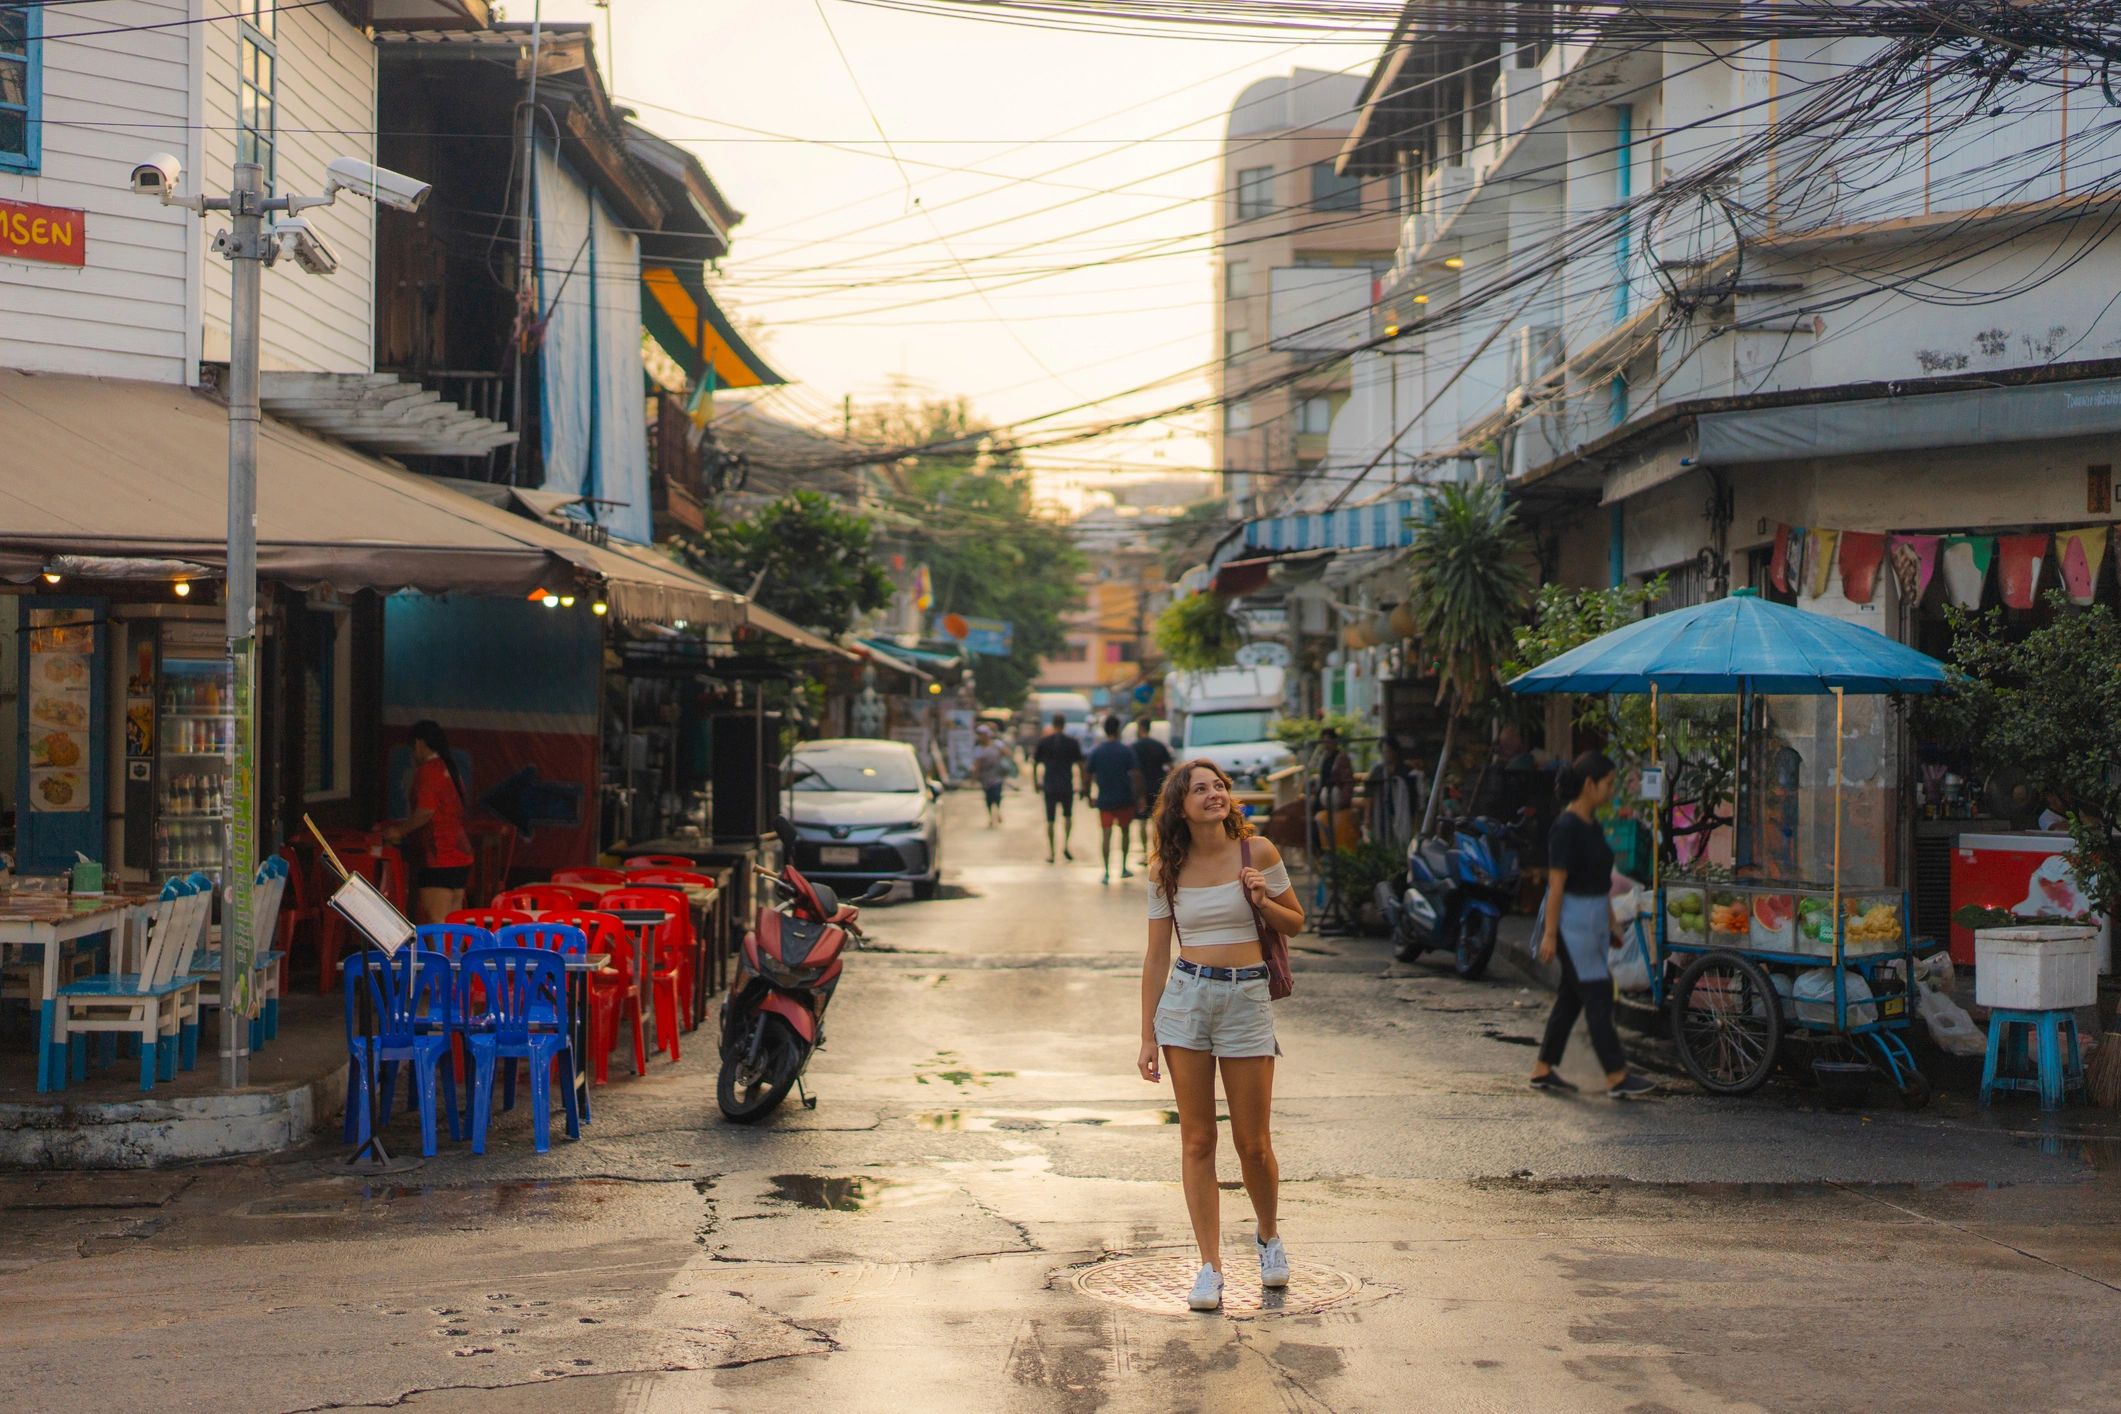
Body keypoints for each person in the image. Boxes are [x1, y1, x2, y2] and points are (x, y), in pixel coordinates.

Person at [1139, 759, 1306, 1311]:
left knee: (1253, 1144)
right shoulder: (1166, 866)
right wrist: (1146, 1034)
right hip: (1186, 1001)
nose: (1213, 795)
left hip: (1246, 997)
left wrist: (1262, 899)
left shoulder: (1257, 853)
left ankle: (1267, 1235)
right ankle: (1209, 1267)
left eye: (1219, 787)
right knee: (1197, 1140)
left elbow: (1297, 922)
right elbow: (1157, 954)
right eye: (1200, 789)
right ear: (1180, 805)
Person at [1532, 751, 1656, 1100]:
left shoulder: (1593, 825)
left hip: (1593, 923)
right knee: (1598, 996)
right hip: (1572, 924)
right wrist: (1550, 935)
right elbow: (1556, 886)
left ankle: (1543, 1068)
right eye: (1609, 784)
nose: (1612, 791)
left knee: (1572, 997)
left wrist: (1612, 923)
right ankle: (1616, 1075)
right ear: (1589, 785)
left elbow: (1600, 880)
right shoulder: (1565, 828)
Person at [380, 719, 473, 925]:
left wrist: (399, 831)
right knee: (454, 924)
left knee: (436, 923)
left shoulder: (428, 771)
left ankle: (441, 958)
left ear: (420, 743)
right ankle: (453, 957)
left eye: (412, 748)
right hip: (460, 855)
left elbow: (425, 812)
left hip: (439, 856)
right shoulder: (451, 769)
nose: (413, 754)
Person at [1087, 715, 1144, 884]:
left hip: (1104, 798)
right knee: (1125, 831)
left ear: (1105, 730)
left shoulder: (1097, 751)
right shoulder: (1126, 750)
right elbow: (1135, 774)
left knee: (1106, 834)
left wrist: (1088, 794)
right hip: (1124, 797)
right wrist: (1140, 796)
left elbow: (1088, 774)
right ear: (1118, 730)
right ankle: (1123, 867)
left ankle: (1106, 871)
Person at [1032, 713, 1086, 864]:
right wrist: (1082, 786)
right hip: (1066, 784)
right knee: (1067, 816)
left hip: (1049, 785)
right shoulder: (1072, 742)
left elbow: (1035, 763)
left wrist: (1035, 782)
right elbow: (1080, 765)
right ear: (1064, 724)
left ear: (1053, 724)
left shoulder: (1044, 742)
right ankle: (1066, 845)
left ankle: (1051, 851)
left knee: (1050, 819)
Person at [1130, 717, 1174, 859]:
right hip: (1158, 787)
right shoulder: (1159, 746)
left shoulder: (1134, 747)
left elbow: (1132, 771)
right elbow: (1171, 766)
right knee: (1157, 822)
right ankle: (1157, 851)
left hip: (1140, 788)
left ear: (1140, 728)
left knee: (1142, 821)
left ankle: (1144, 853)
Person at [1310, 726, 1358, 852]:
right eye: (1323, 742)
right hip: (1323, 798)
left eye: (1328, 741)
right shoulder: (1323, 758)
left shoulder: (1341, 758)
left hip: (1337, 800)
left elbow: (1348, 781)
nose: (1326, 745)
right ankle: (1321, 853)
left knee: (1334, 830)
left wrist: (1343, 800)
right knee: (1315, 825)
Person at [971, 724, 1010, 828]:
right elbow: (977, 765)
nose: (981, 737)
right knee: (988, 797)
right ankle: (990, 816)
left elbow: (1007, 753)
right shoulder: (978, 749)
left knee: (997, 794)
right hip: (985, 776)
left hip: (997, 774)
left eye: (982, 734)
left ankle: (997, 811)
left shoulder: (997, 744)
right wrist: (974, 778)